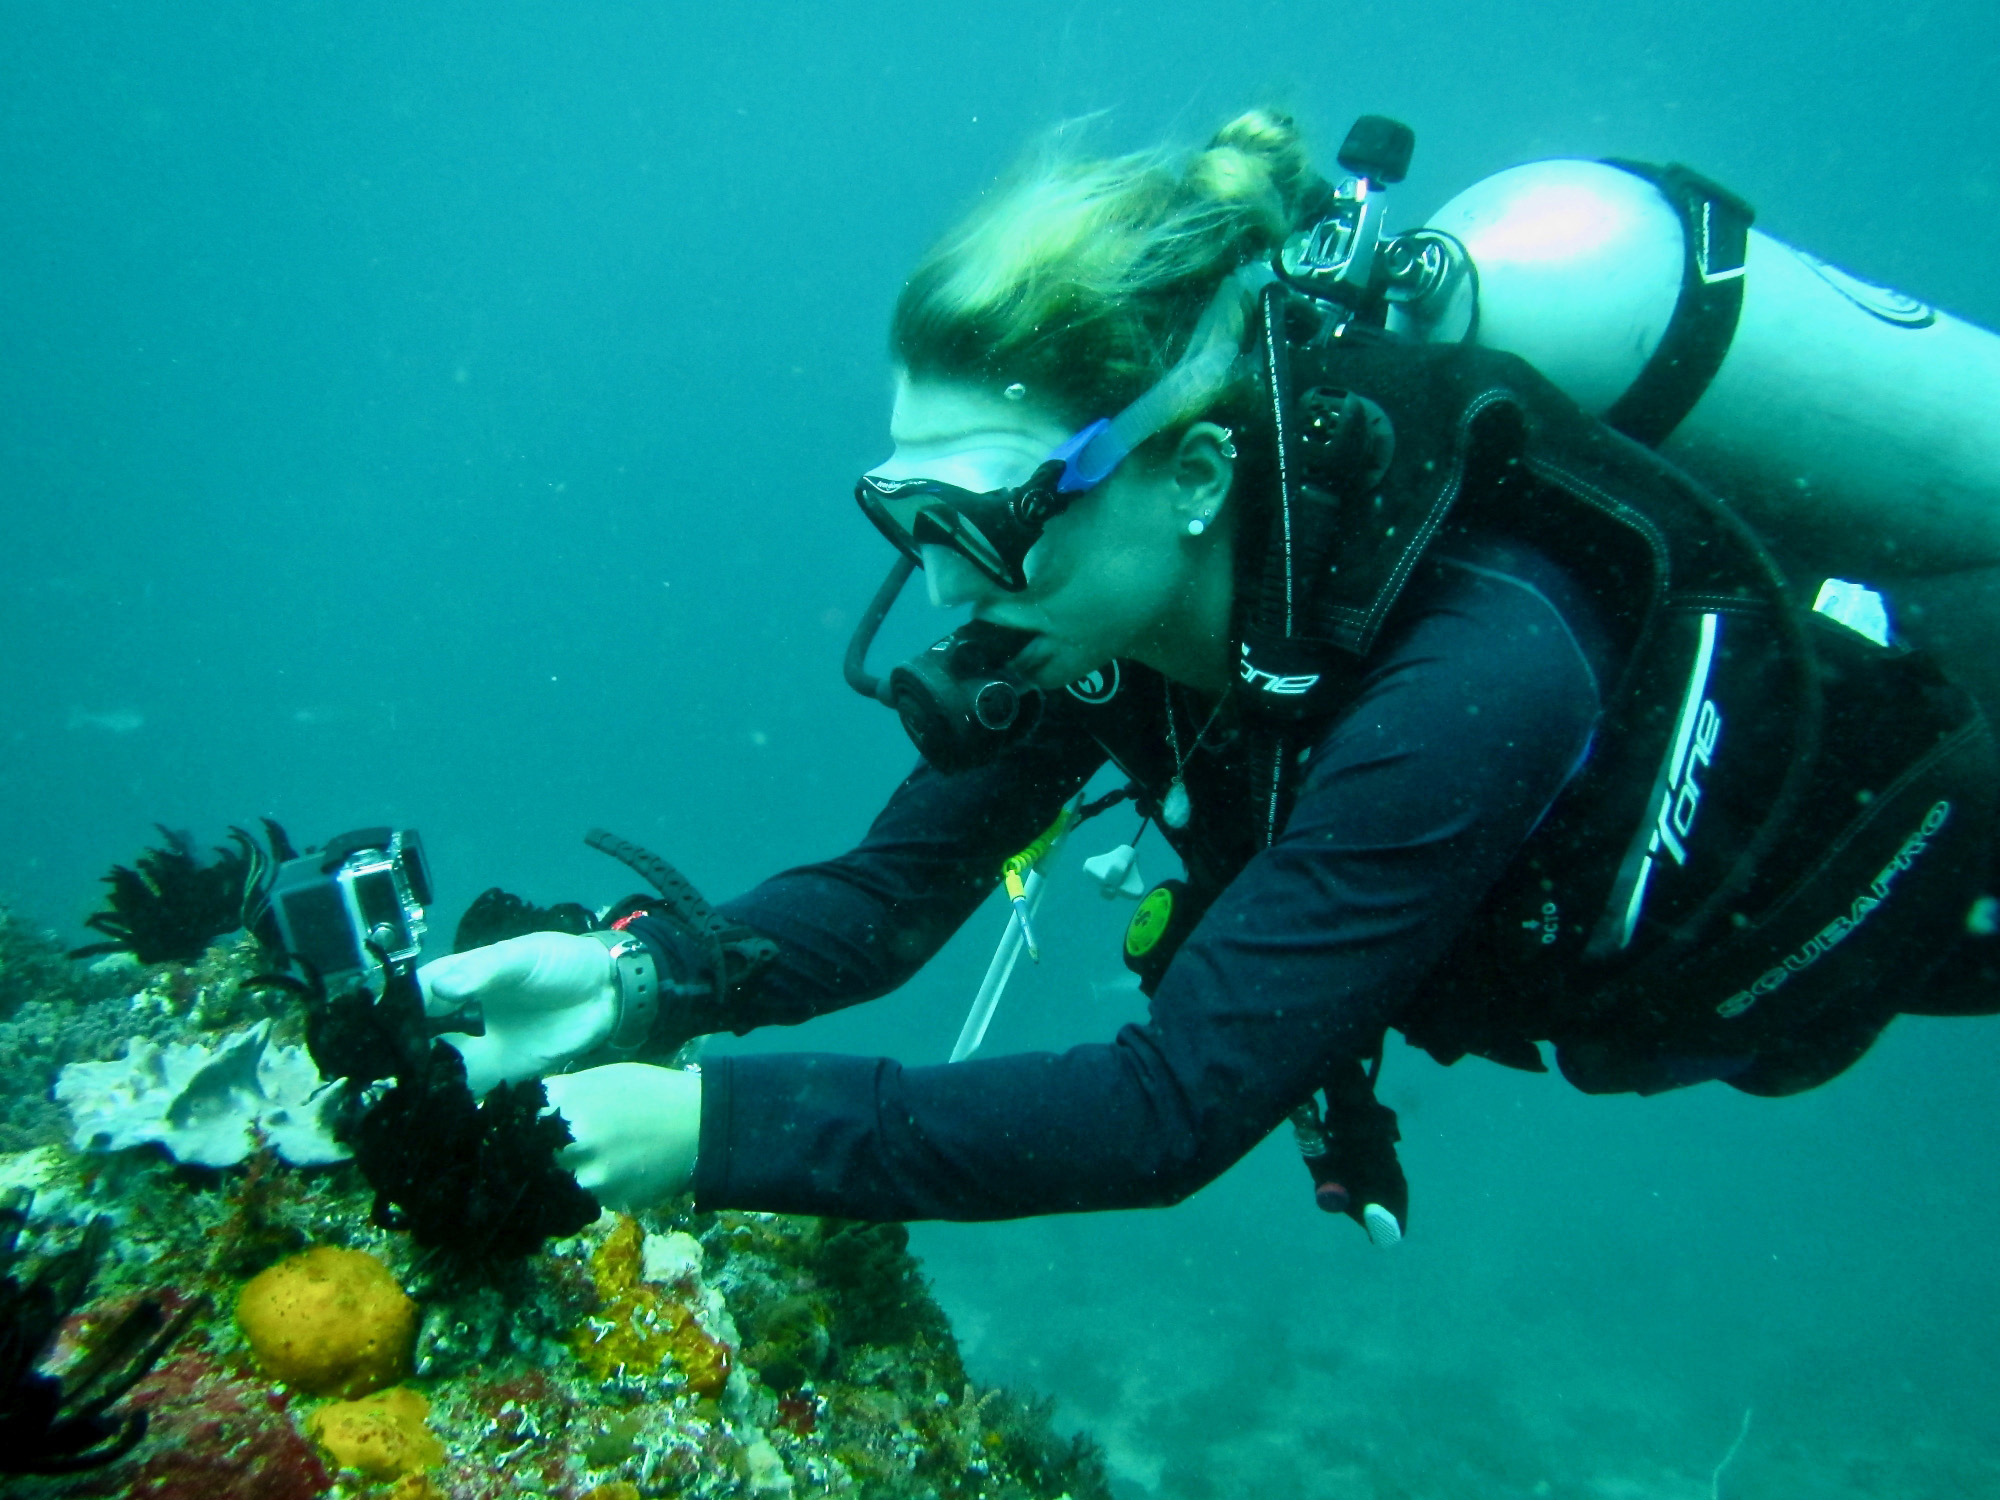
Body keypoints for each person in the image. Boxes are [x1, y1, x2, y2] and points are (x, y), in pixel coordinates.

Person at [417, 111, 2000, 1239]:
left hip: (1918, 846)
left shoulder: (1481, 668)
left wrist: (714, 1130)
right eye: (913, 517)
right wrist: (643, 976)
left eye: (995, 513)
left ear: (1188, 476)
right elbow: (886, 900)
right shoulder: (1103, 616)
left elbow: (1165, 1110)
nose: (954, 584)